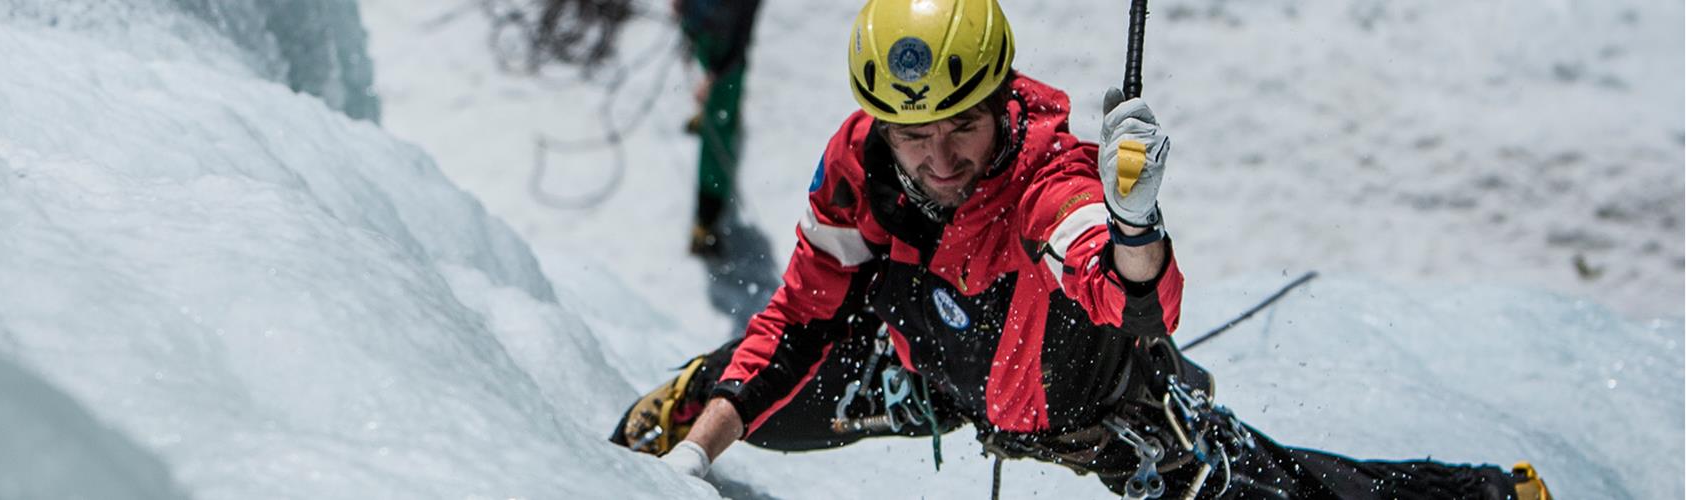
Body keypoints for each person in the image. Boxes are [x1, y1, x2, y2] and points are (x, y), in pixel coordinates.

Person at [609, 0, 1557, 498]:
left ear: (999, 100)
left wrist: (1137, 228)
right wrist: (703, 445)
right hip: (927, 378)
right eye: (913, 137)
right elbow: (804, 314)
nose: (939, 161)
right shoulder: (861, 166)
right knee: (744, 402)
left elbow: (1131, 297)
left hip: (1101, 411)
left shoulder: (1047, 178)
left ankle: (1487, 495)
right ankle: (693, 395)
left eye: (960, 130)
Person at [675, 0, 763, 256]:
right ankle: (705, 225)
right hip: (712, 43)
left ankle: (706, 224)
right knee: (718, 131)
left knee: (720, 130)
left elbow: (742, 30)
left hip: (722, 53)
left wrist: (714, 76)